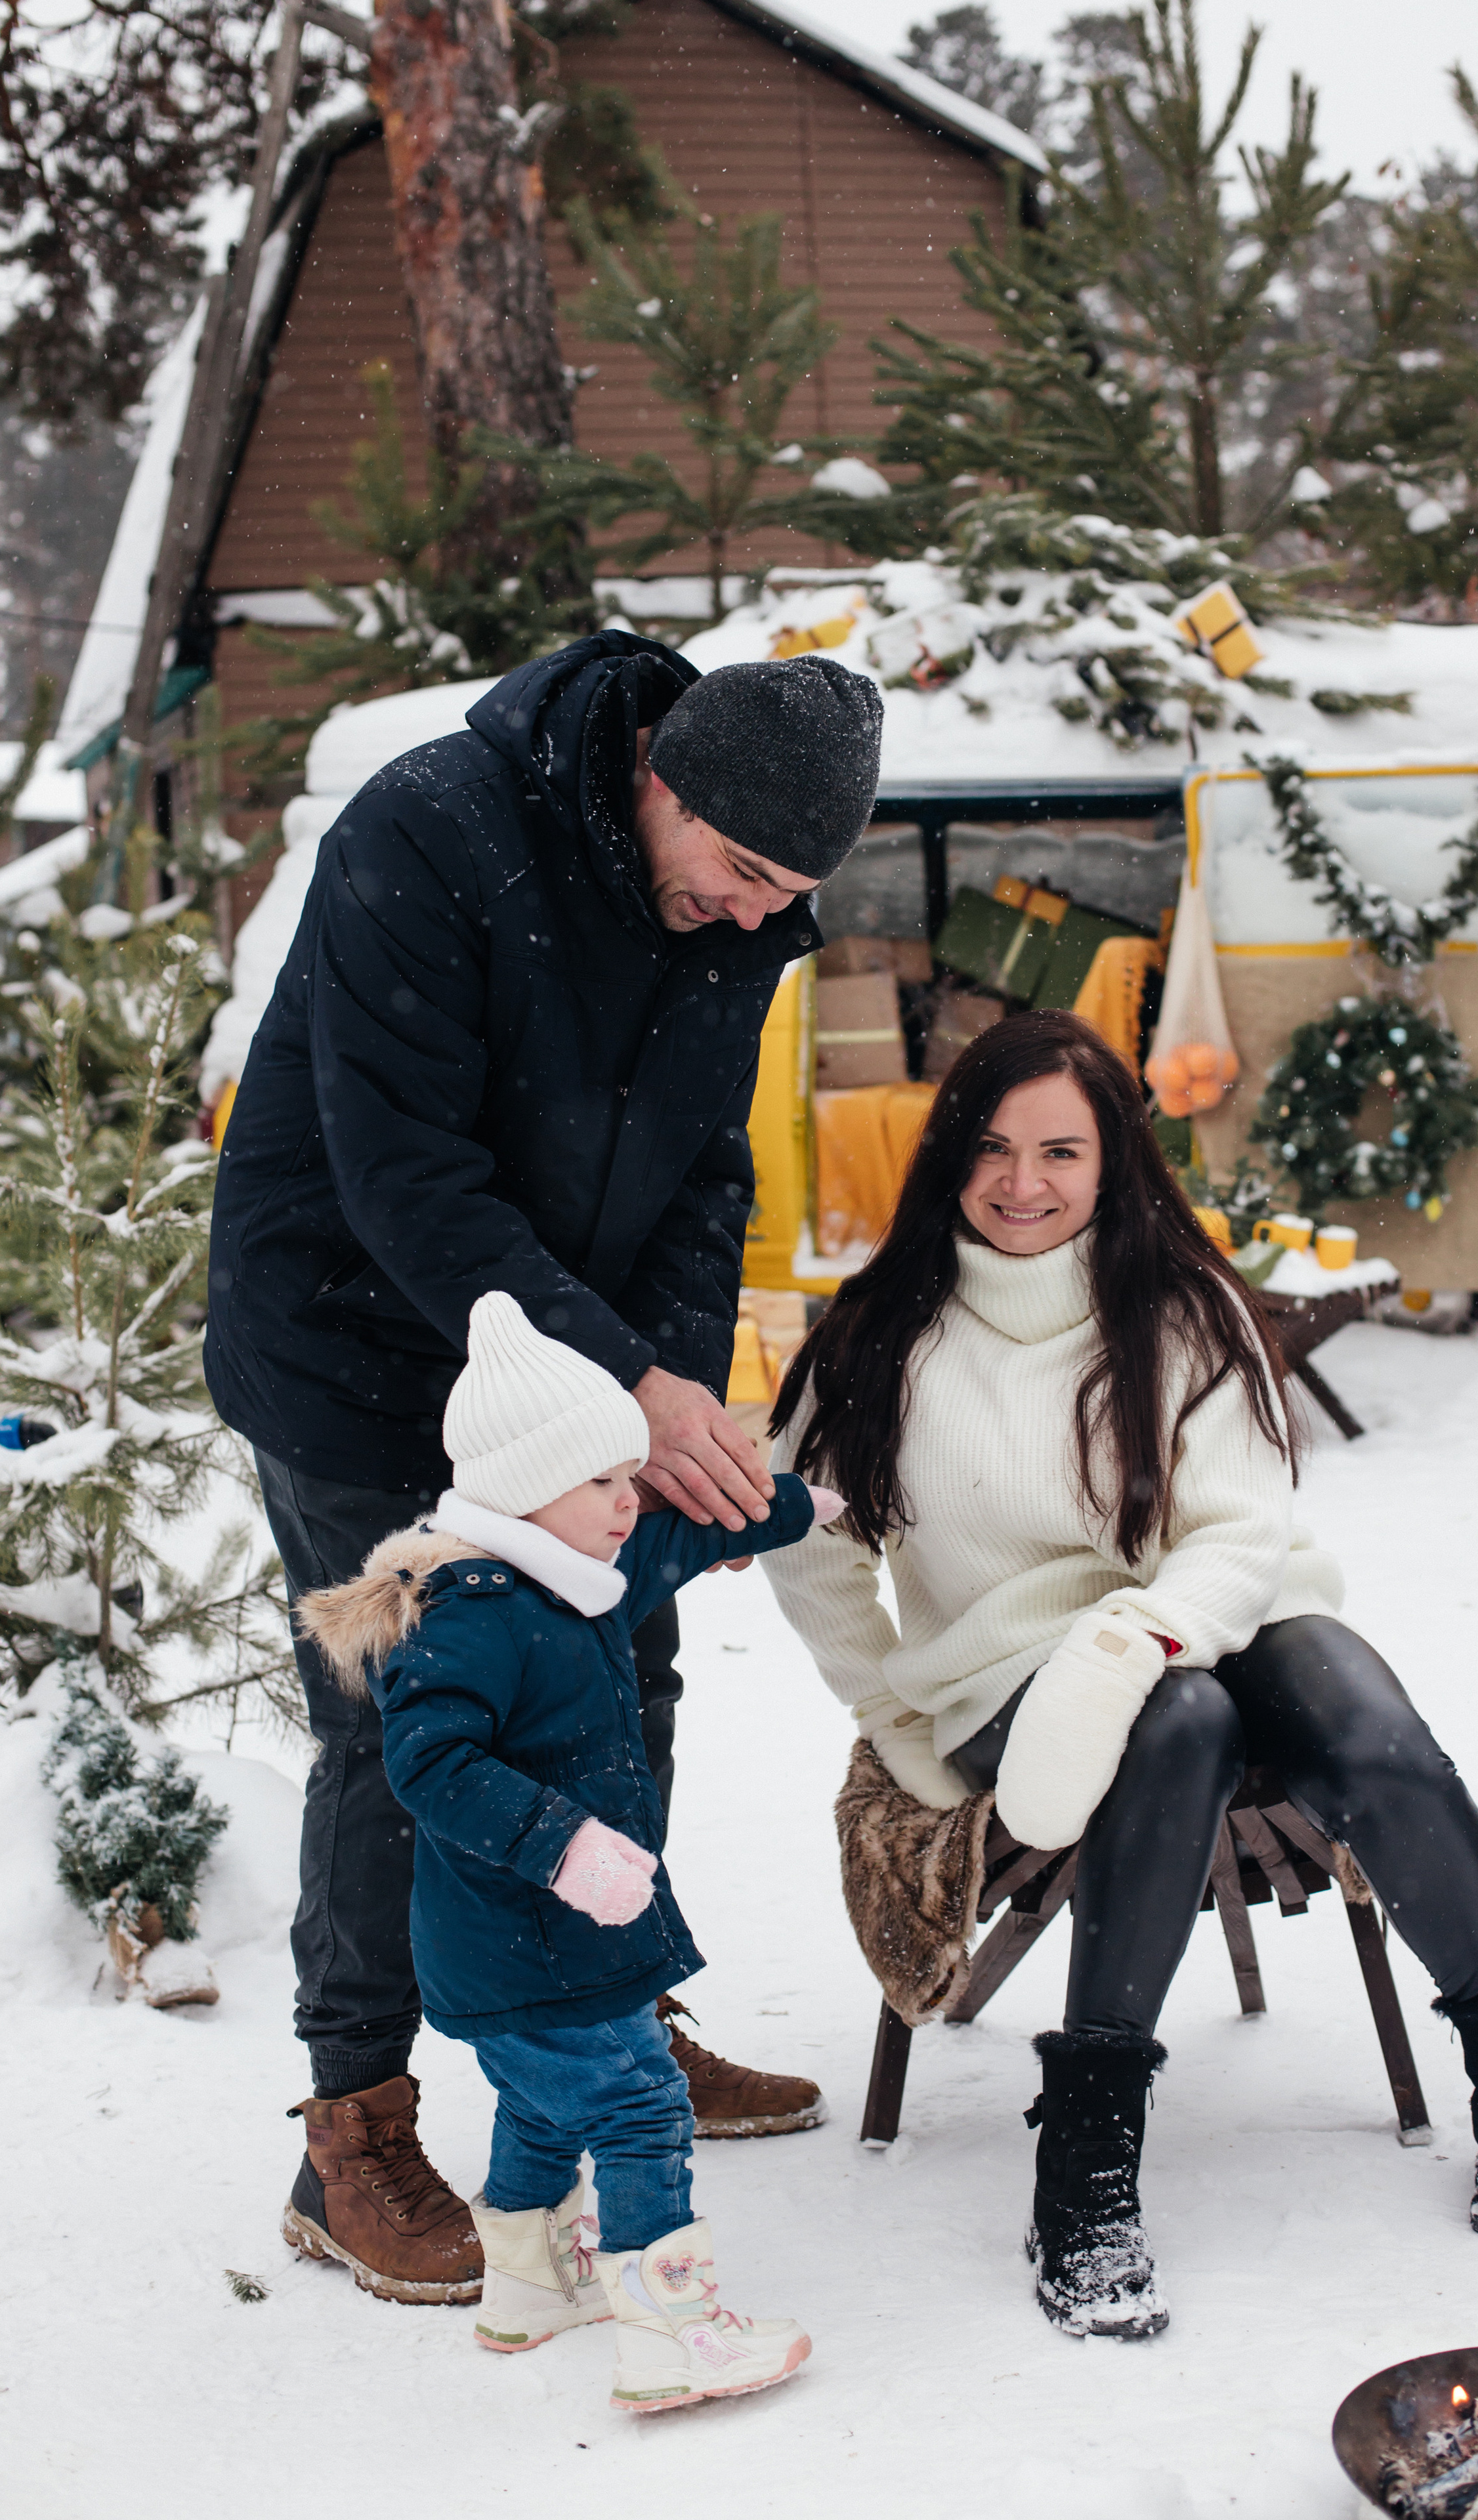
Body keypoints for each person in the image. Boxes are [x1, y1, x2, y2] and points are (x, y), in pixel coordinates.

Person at [206, 629, 883, 2302]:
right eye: (738, 873)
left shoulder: (739, 915)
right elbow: (406, 1174)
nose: (751, 917)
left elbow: (707, 1171)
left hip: (576, 1371)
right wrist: (624, 1378)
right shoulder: (430, 830)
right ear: (659, 774)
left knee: (620, 1675)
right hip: (356, 1348)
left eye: (785, 896)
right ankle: (350, 2139)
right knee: (406, 1726)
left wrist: (675, 1391)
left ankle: (607, 2026)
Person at [763, 1011, 1478, 2342]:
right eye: (992, 1147)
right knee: (1181, 1725)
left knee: (1365, 1734)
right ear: (949, 1153)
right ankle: (1087, 2165)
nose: (1021, 1182)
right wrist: (888, 1708)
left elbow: (1242, 1533)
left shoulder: (1179, 1307)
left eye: (1059, 1151)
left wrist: (1133, 1637)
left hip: (1205, 1613)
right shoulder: (879, 1332)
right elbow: (804, 1544)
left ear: (1112, 1161)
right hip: (1005, 1675)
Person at [293, 1295, 842, 2405]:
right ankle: (673, 2332)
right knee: (643, 2108)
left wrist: (797, 1507)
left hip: (549, 1943)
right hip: (528, 1936)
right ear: (518, 1491)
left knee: (543, 2110)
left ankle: (531, 2287)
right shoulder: (470, 1616)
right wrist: (563, 1848)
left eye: (627, 1476)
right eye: (602, 1481)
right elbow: (433, 1766)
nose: (630, 1500)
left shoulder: (572, 1577)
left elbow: (685, 1538)